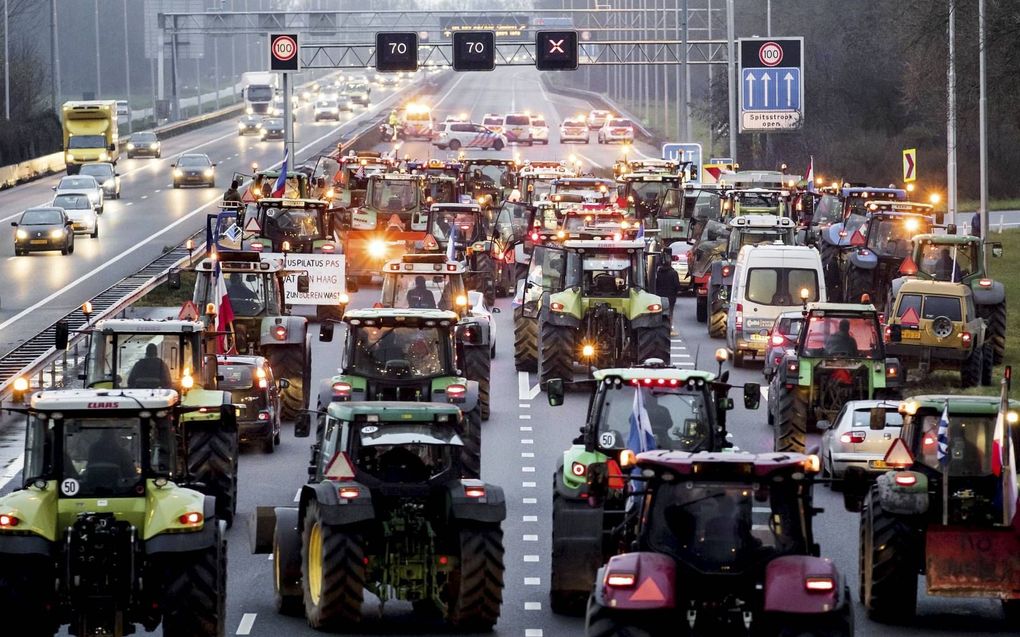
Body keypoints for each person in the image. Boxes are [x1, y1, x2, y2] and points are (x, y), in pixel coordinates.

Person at [655, 263, 682, 336]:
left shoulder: (658, 273)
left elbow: (656, 283)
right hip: (670, 297)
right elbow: (677, 285)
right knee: (669, 313)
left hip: (659, 296)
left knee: (659, 312)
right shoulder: (673, 273)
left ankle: (658, 327)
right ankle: (669, 328)